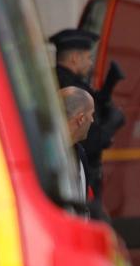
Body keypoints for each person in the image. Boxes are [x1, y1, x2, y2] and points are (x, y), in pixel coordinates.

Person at [52, 28, 125, 200]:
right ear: (75, 58)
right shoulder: (70, 88)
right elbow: (92, 140)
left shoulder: (54, 81)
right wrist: (111, 125)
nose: (91, 63)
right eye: (89, 57)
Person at [61, 86, 97, 212]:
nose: (92, 120)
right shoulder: (45, 154)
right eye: (91, 114)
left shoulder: (80, 154)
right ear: (81, 119)